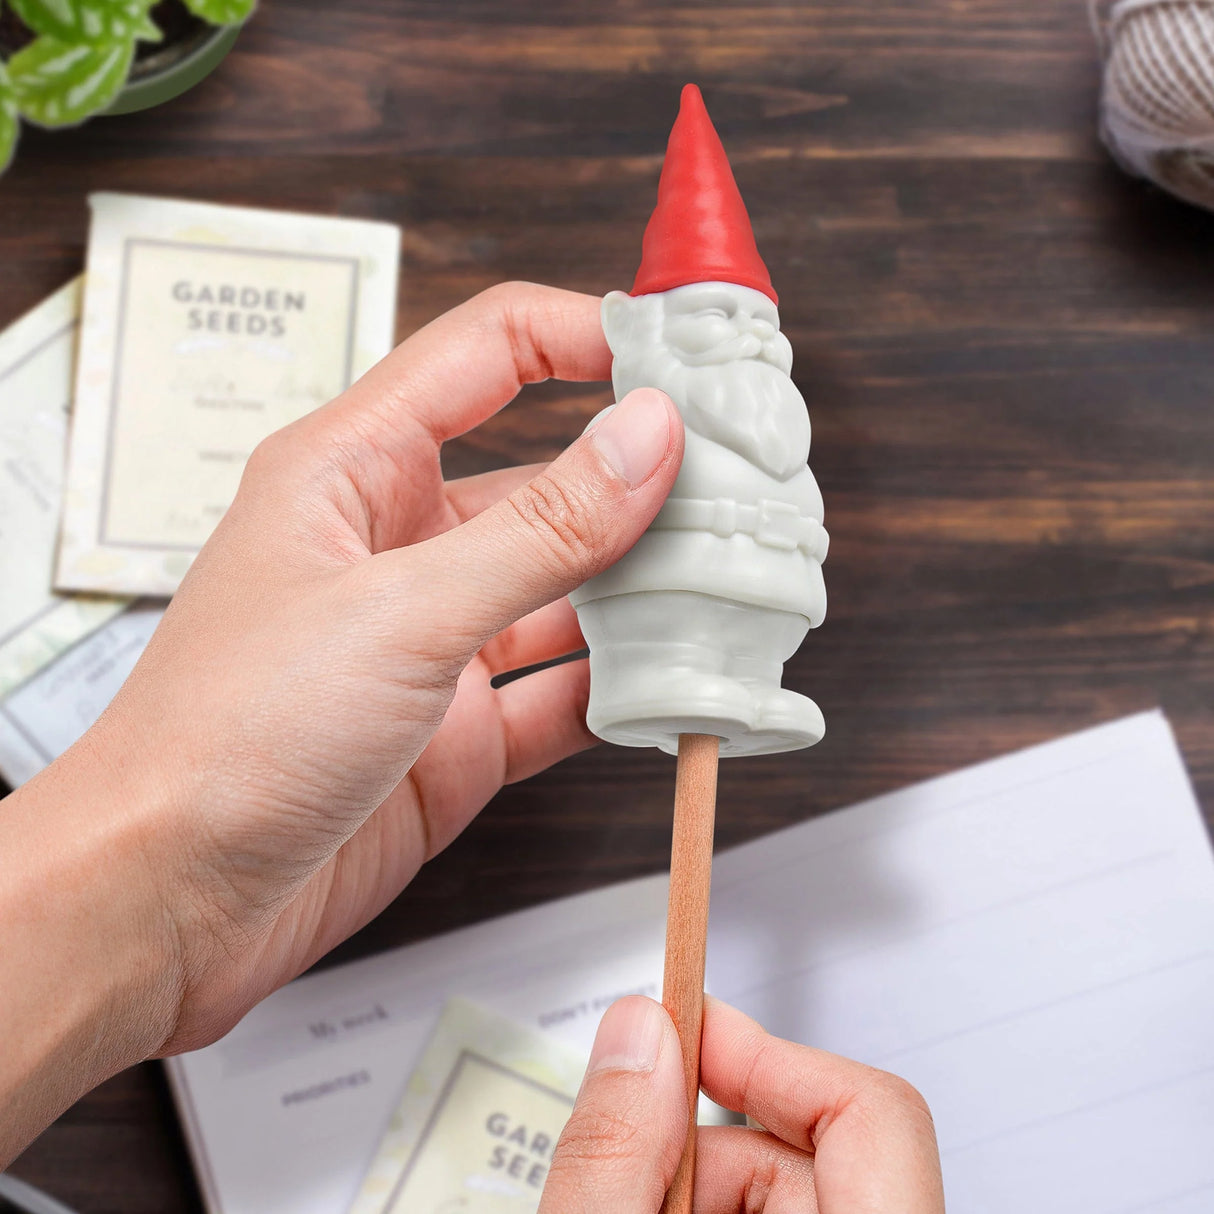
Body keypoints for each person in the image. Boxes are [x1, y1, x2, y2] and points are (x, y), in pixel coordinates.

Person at [0, 283, 945, 1212]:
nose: (748, 340)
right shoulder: (694, 415)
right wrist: (161, 902)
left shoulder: (770, 425)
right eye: (722, 320)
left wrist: (162, 911)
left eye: (753, 323)